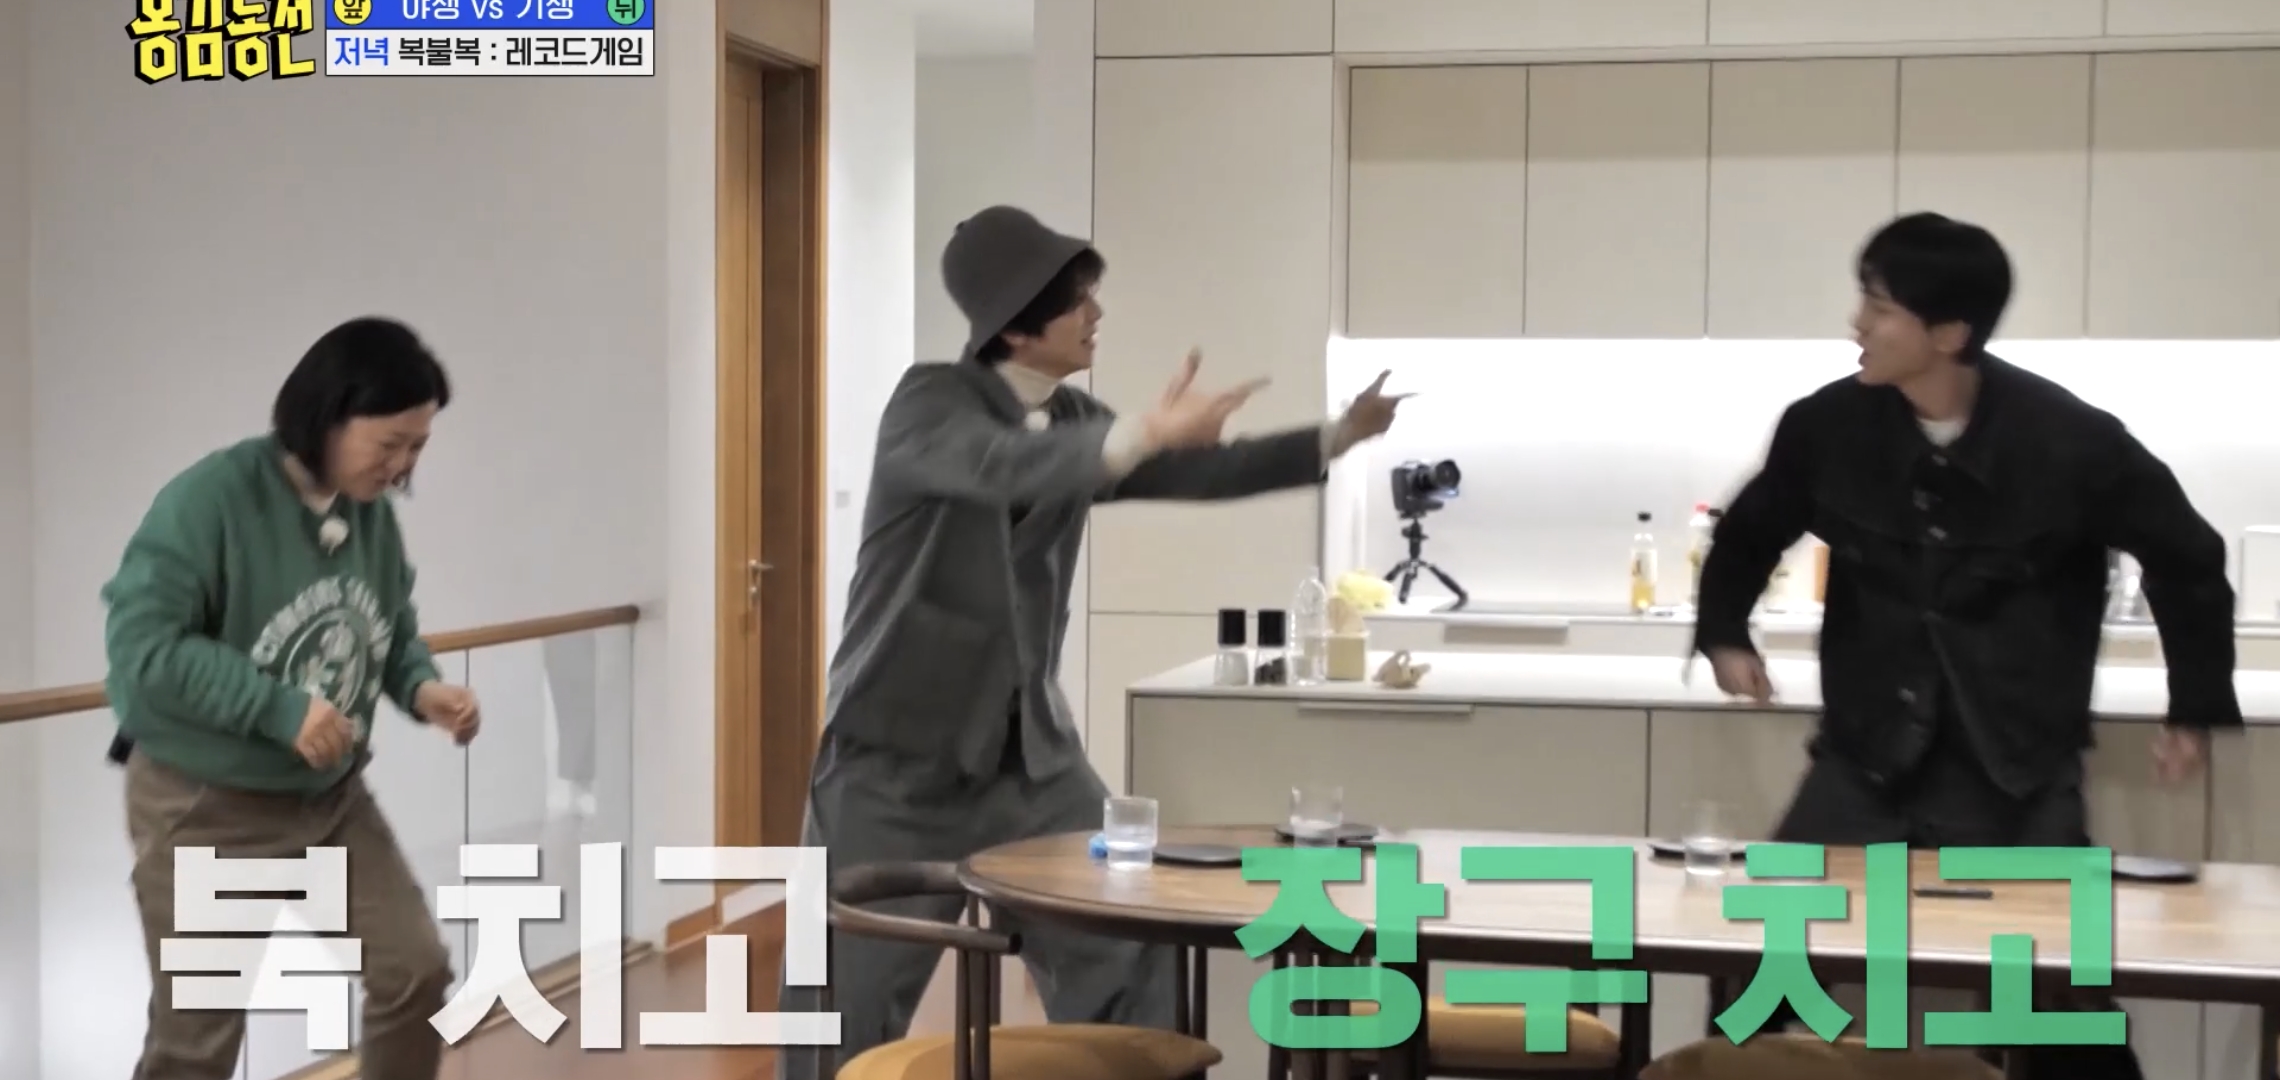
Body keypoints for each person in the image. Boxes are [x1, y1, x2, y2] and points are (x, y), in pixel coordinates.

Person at [776, 205, 1408, 1078]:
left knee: (1127, 940)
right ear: (1017, 321)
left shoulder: (1075, 415)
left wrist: (1337, 435)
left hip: (1031, 765)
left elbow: (1193, 471)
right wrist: (1137, 434)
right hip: (891, 767)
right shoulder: (931, 402)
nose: (1096, 314)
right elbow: (1000, 463)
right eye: (1078, 300)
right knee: (840, 1003)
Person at [1693, 212, 2239, 1078]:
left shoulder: (2070, 441)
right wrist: (1725, 634)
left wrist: (2194, 705)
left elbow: (2188, 560)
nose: (1857, 324)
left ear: (1949, 333)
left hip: (2015, 764)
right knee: (1766, 968)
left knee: (2058, 997)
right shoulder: (1827, 426)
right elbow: (1749, 532)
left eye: (1880, 307)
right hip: (1866, 759)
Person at [103, 316, 484, 1080]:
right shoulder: (209, 500)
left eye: (418, 447)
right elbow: (143, 651)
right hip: (204, 807)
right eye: (390, 445)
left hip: (328, 801)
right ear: (326, 417)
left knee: (414, 970)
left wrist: (420, 686)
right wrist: (278, 709)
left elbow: (388, 624)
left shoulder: (368, 514)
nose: (402, 467)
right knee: (197, 1040)